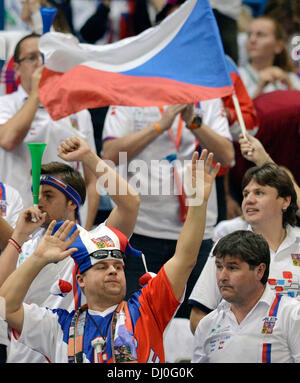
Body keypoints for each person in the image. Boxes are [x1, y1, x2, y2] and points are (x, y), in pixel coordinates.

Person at [0, 149, 220, 363]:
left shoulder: (144, 305)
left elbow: (183, 258)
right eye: (101, 266)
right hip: (28, 349)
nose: (113, 269)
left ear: (72, 202)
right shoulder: (28, 250)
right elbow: (5, 305)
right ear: (81, 279)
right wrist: (32, 251)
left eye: (118, 265)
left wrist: (198, 201)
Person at [0, 136, 140, 362]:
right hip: (23, 356)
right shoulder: (24, 246)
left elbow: (130, 203)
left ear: (72, 203)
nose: (39, 201)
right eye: (37, 193)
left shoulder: (97, 241)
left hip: (76, 352)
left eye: (48, 195)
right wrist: (17, 235)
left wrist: (89, 158)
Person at [102, 102, 234, 319]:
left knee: (193, 324)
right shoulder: (130, 92)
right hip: (142, 232)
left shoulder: (207, 96)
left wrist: (194, 122)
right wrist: (158, 126)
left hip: (197, 233)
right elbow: (110, 153)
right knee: (136, 321)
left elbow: (227, 155)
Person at [0, 33, 99, 230]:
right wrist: (38, 93)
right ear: (17, 69)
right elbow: (8, 139)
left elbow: (91, 179)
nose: (41, 63)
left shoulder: (79, 112)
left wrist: (86, 231)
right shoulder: (5, 104)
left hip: (64, 227)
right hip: (15, 223)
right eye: (32, 57)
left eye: (45, 57)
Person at [189, 161, 300, 334]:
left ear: (285, 201)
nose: (249, 200)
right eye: (245, 194)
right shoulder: (227, 246)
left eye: (259, 193)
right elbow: (198, 317)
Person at [192, 230, 300, 363]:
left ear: (260, 271)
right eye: (219, 267)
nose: (222, 277)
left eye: (232, 268)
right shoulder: (207, 324)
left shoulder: (292, 314)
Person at [239, 16, 300, 98]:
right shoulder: (237, 75)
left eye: (260, 35)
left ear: (278, 46)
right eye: (249, 35)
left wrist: (289, 85)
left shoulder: (290, 78)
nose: (252, 40)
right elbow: (234, 109)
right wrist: (259, 89)